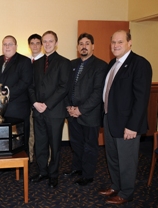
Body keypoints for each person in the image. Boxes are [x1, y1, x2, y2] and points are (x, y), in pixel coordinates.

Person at [99, 30, 152, 204]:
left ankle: (126, 192)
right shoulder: (112, 64)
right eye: (113, 42)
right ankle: (116, 185)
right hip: (110, 120)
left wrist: (133, 126)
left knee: (127, 161)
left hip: (127, 125)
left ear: (130, 42)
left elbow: (141, 99)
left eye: (120, 42)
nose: (115, 45)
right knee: (112, 157)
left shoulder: (140, 64)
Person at [29, 30, 71, 188]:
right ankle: (42, 172)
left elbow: (63, 87)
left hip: (54, 111)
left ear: (56, 43)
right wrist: (35, 103)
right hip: (38, 111)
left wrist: (46, 104)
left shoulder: (64, 62)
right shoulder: (37, 63)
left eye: (50, 41)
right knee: (40, 144)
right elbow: (31, 86)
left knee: (55, 146)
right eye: (44, 41)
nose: (47, 44)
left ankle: (53, 175)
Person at [64, 33, 108, 186]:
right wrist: (69, 107)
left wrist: (80, 110)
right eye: (81, 44)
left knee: (90, 146)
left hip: (89, 114)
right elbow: (66, 88)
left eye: (87, 43)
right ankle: (77, 169)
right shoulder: (71, 64)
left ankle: (88, 175)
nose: (84, 46)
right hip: (72, 113)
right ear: (77, 47)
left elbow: (98, 93)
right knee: (76, 144)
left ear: (93, 46)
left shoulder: (101, 66)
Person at [0, 35, 33, 158]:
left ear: (16, 46)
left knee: (19, 141)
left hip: (17, 108)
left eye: (10, 44)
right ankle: (1, 167)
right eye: (5, 44)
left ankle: (23, 168)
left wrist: (6, 94)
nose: (7, 47)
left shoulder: (24, 61)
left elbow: (24, 83)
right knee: (0, 140)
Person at [27, 34, 44, 163]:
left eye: (38, 43)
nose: (35, 46)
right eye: (32, 43)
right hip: (27, 104)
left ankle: (44, 160)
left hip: (42, 105)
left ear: (42, 45)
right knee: (30, 134)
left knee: (42, 135)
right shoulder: (26, 62)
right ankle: (30, 159)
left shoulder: (46, 62)